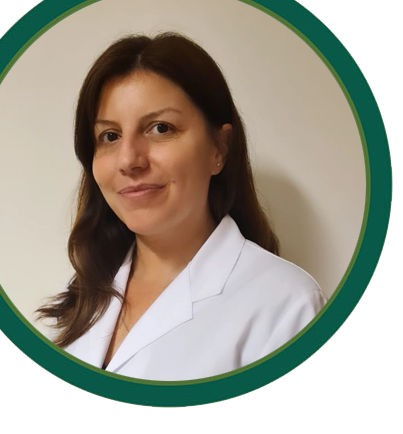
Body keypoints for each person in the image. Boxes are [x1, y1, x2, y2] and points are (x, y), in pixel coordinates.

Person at [36, 32, 326, 381]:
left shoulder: (286, 303)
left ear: (219, 148)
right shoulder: (80, 295)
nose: (128, 160)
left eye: (160, 128)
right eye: (110, 136)